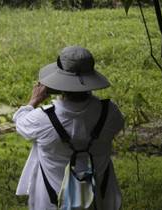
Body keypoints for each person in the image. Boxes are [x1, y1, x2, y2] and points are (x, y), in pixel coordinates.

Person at [13, 46, 124, 210]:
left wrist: (33, 101)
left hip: (52, 203)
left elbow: (20, 122)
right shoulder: (110, 112)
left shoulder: (42, 119)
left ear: (59, 82)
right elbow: (116, 125)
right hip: (99, 201)